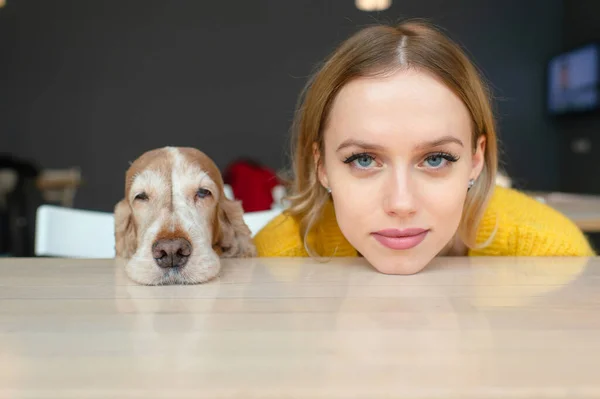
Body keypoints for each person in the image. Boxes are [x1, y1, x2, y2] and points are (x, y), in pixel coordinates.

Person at [253, 20, 595, 274]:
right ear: (322, 166)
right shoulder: (275, 257)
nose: (401, 204)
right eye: (362, 159)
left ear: (476, 161)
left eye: (435, 159)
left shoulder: (555, 254)